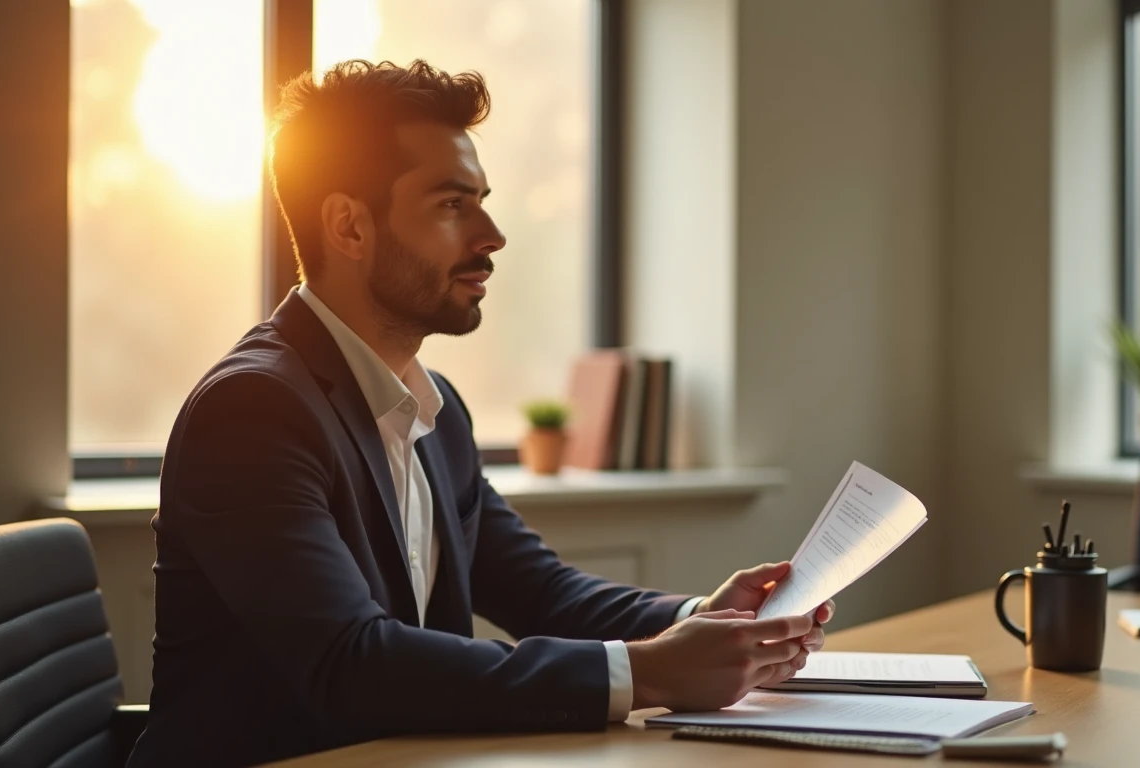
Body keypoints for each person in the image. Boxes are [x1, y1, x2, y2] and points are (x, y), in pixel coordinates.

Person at [126, 59, 833, 768]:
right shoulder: (254, 411)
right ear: (348, 225)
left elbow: (539, 590)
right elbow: (349, 662)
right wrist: (645, 672)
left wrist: (699, 618)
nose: (492, 234)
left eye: (482, 201)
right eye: (451, 205)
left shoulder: (437, 409)